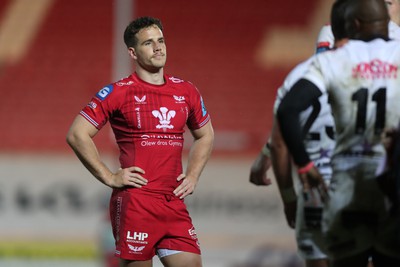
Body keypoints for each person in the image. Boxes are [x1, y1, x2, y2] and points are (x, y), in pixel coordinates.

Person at [66, 16, 214, 267]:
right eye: (149, 43)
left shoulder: (186, 90)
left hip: (174, 203)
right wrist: (109, 177)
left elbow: (205, 135)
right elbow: (77, 134)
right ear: (133, 52)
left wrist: (193, 175)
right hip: (137, 203)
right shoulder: (118, 92)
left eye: (161, 40)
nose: (158, 47)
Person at [276, 0, 400, 266]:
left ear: (354, 24)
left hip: (347, 188)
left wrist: (304, 163)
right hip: (391, 186)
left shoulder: (333, 59)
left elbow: (288, 111)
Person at [250, 2, 350, 267]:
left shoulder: (298, 77)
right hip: (355, 185)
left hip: (314, 189)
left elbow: (281, 143)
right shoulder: (364, 71)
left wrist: (289, 199)